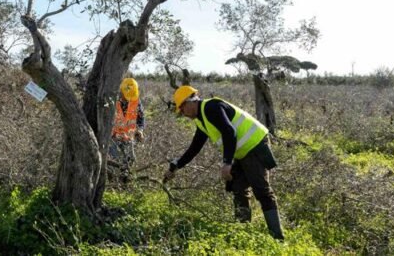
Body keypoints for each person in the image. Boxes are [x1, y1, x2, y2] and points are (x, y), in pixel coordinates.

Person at [163, 85, 284, 240]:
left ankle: (278, 239)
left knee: (262, 192)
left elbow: (229, 132)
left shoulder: (211, 107)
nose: (182, 113)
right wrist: (175, 166)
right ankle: (243, 236)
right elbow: (194, 148)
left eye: (182, 109)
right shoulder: (201, 121)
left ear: (189, 102)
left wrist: (227, 163)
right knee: (239, 190)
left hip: (254, 146)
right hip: (240, 153)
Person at [109, 78, 145, 180]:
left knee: (130, 161)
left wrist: (140, 130)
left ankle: (124, 182)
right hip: (113, 137)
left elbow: (141, 118)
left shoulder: (136, 101)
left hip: (129, 137)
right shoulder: (111, 101)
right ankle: (113, 183)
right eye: (126, 96)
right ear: (121, 91)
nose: (129, 99)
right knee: (114, 161)